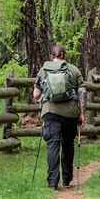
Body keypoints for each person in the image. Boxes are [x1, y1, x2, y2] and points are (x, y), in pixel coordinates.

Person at [32, 45, 86, 190]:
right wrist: (82, 113)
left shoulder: (44, 70)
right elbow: (82, 92)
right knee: (68, 143)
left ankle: (52, 181)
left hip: (50, 112)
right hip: (70, 113)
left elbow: (36, 94)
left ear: (52, 56)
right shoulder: (74, 70)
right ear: (65, 56)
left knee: (53, 144)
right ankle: (67, 179)